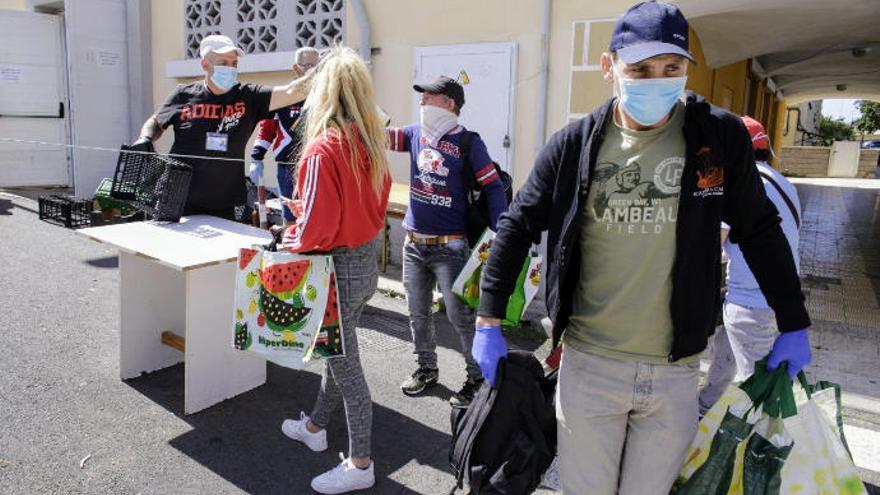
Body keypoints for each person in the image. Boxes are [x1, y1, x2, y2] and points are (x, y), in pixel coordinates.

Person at [470, 2, 812, 493]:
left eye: (671, 69)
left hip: (674, 372)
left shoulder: (716, 137)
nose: (657, 81)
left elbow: (758, 229)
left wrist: (794, 321)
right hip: (589, 364)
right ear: (609, 67)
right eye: (641, 69)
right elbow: (516, 225)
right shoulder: (574, 145)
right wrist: (488, 319)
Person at [276, 46, 390, 495]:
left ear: (320, 89)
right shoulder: (371, 142)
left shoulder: (323, 148)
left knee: (347, 368)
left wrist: (293, 232)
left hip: (333, 268)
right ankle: (315, 426)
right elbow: (366, 208)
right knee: (337, 354)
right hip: (363, 263)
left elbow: (317, 230)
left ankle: (361, 462)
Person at [386, 76, 508, 407]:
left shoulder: (468, 142)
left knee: (460, 317)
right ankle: (426, 368)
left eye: (430, 96)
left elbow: (493, 187)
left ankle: (476, 379)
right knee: (417, 313)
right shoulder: (414, 133)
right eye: (422, 96)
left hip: (449, 247)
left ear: (450, 103)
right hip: (413, 243)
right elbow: (379, 134)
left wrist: (500, 234)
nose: (422, 101)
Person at [131, 34, 314, 220]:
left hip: (223, 202)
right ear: (204, 64)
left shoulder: (249, 97)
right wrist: (145, 137)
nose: (230, 68)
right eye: (223, 62)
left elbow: (292, 92)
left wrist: (324, 69)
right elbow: (157, 122)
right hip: (176, 196)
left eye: (234, 63)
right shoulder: (183, 94)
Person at [698, 115, 803, 414]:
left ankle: (759, 445)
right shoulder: (782, 182)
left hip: (751, 301)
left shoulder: (742, 184)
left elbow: (711, 245)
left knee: (755, 385)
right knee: (725, 357)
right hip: (775, 295)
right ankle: (704, 408)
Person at [249, 46, 320, 225]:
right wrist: (256, 158)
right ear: (295, 67)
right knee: (290, 219)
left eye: (316, 66)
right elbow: (267, 128)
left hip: (318, 168)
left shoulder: (325, 96)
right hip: (287, 168)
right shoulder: (284, 95)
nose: (312, 71)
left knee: (315, 218)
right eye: (307, 66)